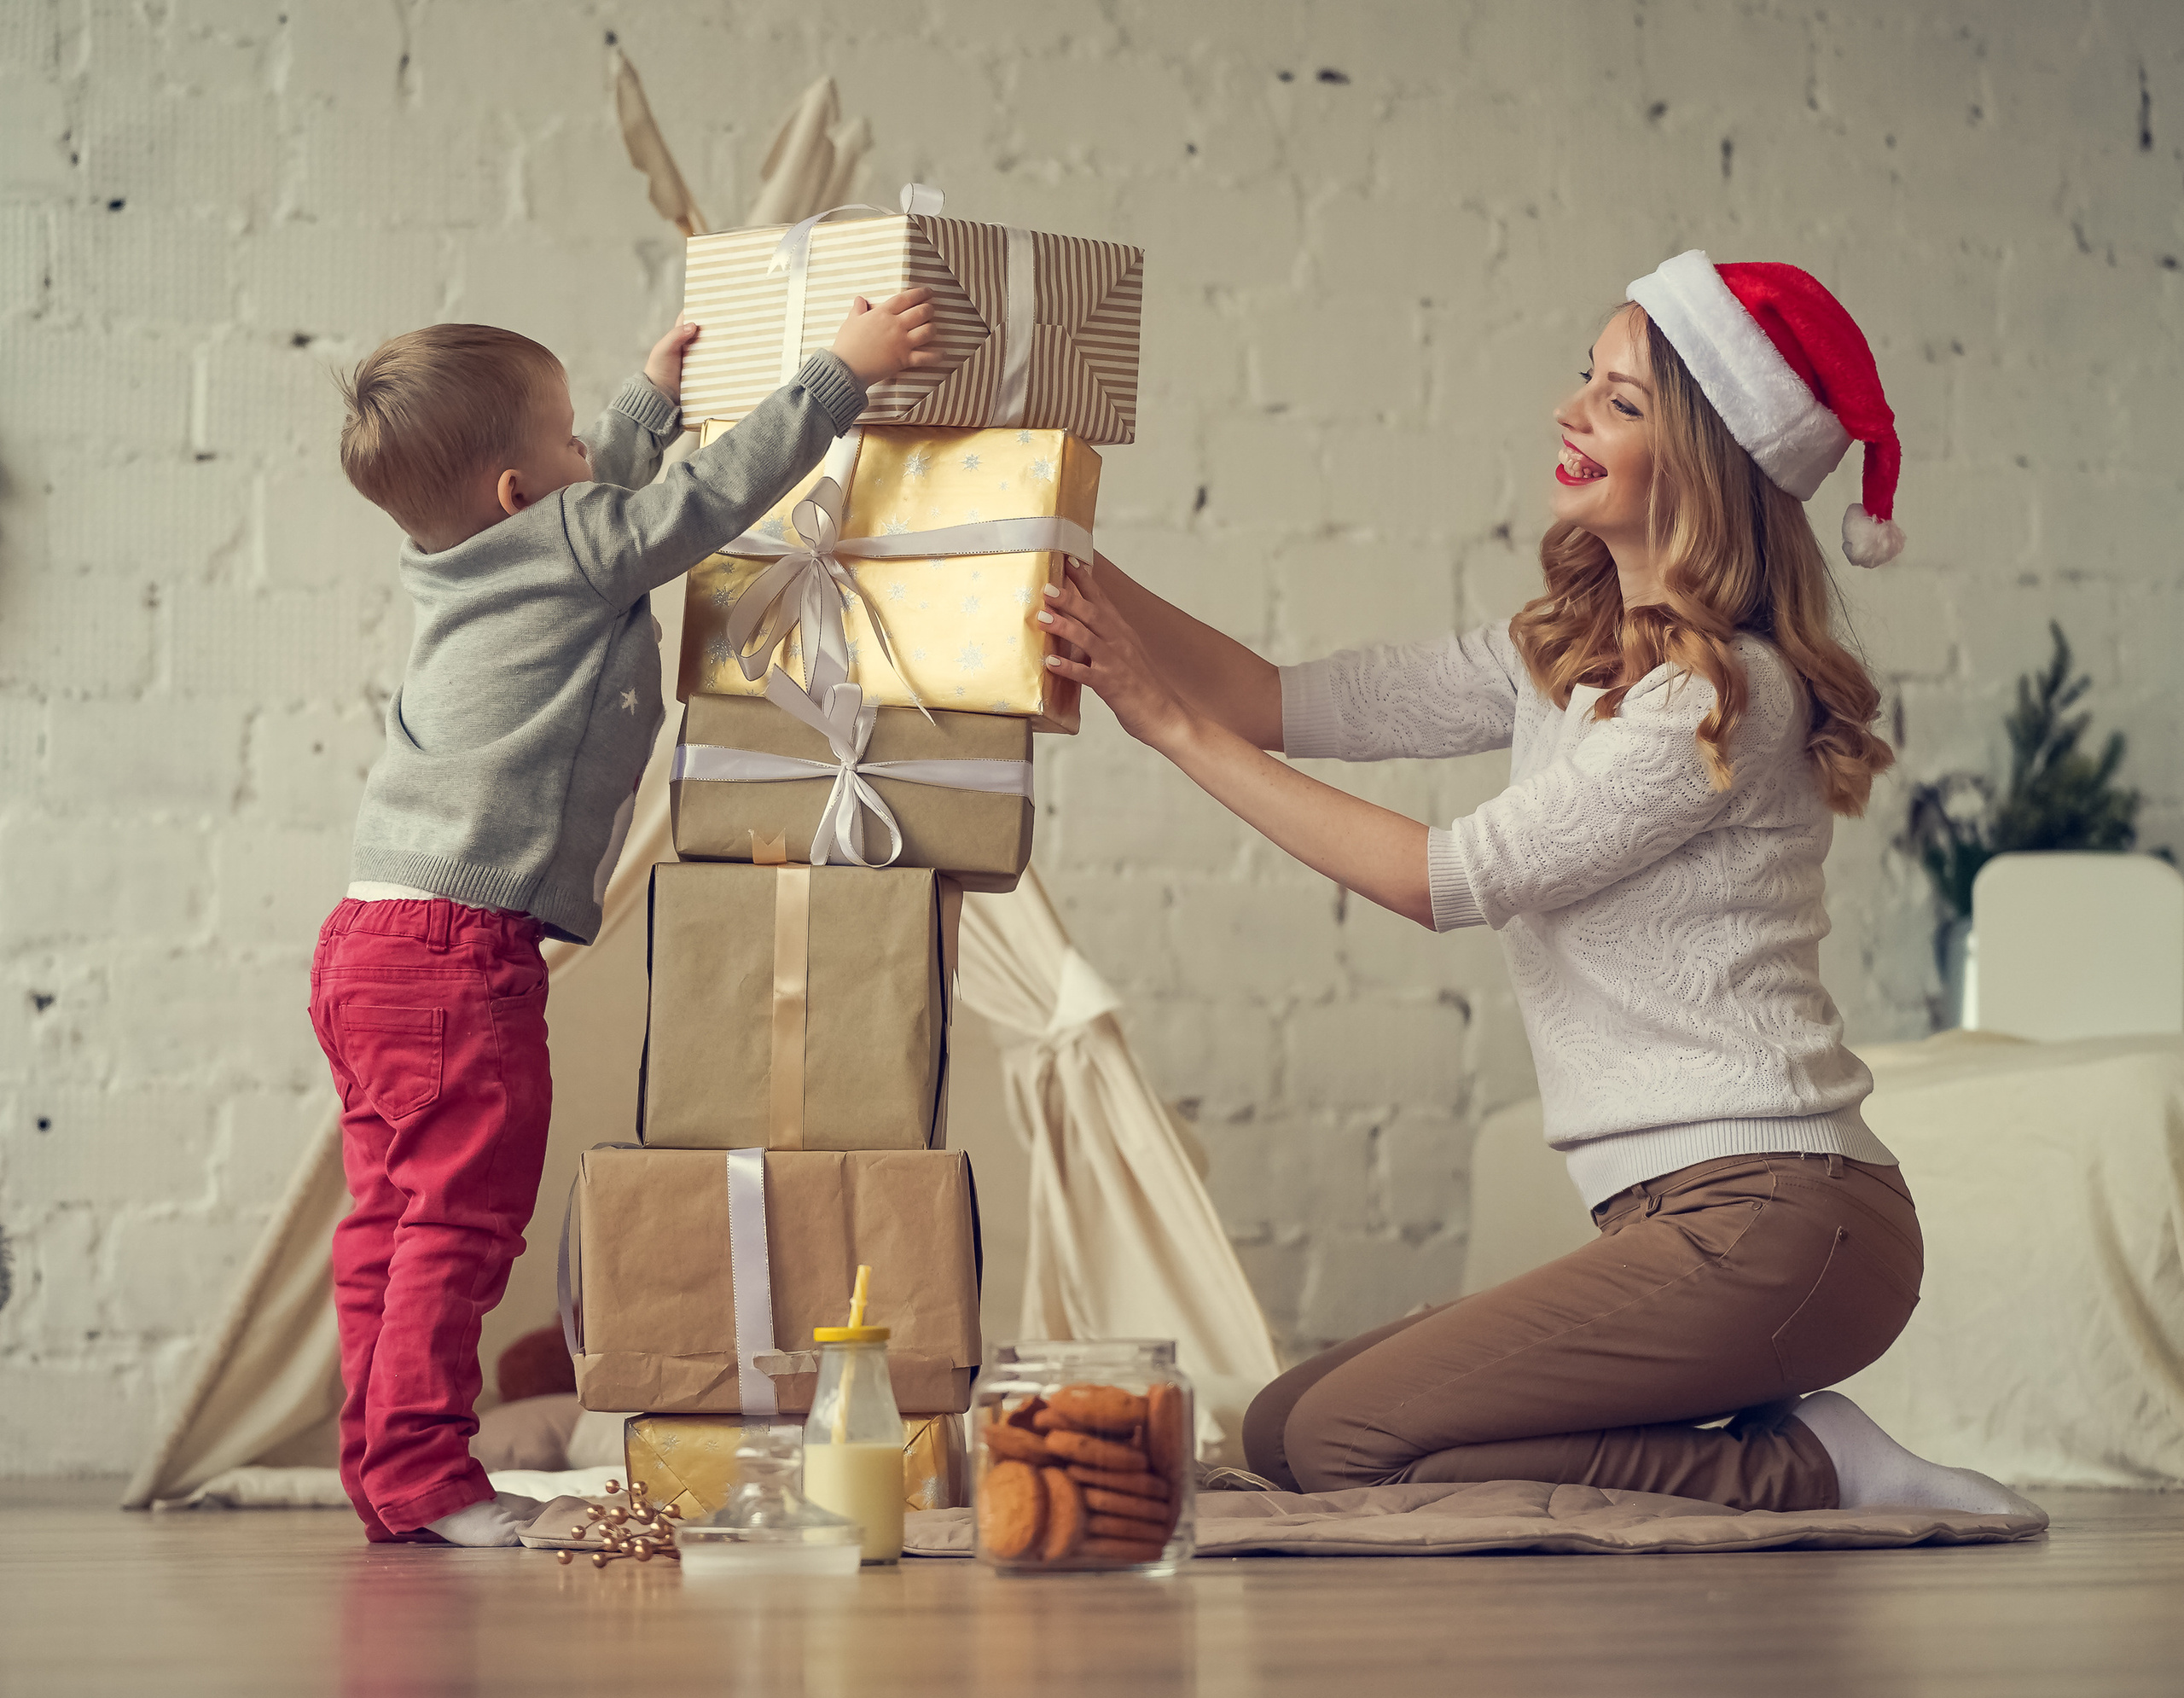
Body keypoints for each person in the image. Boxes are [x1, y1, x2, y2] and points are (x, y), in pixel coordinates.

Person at [1039, 252, 2035, 1518]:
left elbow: (1440, 876)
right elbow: (1276, 699)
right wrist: (1050, 536)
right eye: (1587, 381)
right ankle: (1795, 1454)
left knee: (1351, 1447)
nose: (1571, 414)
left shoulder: (1721, 698)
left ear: (1708, 463)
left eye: (1622, 403)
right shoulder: (1562, 658)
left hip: (1788, 1219)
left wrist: (1166, 728)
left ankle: (1807, 1467)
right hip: (1681, 1223)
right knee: (1289, 1429)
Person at [311, 293, 937, 1545]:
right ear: (516, 488)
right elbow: (685, 516)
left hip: (369, 943)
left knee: (388, 1217)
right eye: (570, 440)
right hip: (458, 960)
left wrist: (642, 405)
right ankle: (431, 1477)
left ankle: (383, 1467)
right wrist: (834, 380)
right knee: (459, 1224)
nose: (591, 451)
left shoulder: (457, 559)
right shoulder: (573, 540)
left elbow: (600, 510)